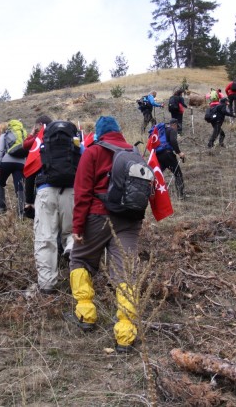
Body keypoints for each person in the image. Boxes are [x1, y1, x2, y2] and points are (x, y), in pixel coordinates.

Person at [66, 116, 145, 353]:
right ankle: (126, 335)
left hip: (97, 217)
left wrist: (77, 226)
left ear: (99, 133)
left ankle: (86, 315)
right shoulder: (134, 152)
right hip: (129, 220)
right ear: (119, 132)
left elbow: (82, 193)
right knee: (125, 273)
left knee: (79, 259)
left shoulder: (92, 152)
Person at [33, 119, 81, 294]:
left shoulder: (43, 145)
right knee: (72, 233)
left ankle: (47, 285)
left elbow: (30, 170)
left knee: (46, 237)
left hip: (46, 191)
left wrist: (30, 200)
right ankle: (71, 250)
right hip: (71, 192)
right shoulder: (76, 146)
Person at [0, 119, 27, 215]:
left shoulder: (4, 135)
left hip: (7, 161)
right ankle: (21, 211)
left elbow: (0, 151)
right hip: (21, 163)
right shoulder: (22, 135)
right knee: (20, 186)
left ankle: (1, 208)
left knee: (0, 183)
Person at [22, 115, 51, 219]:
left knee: (30, 175)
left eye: (36, 125)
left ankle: (29, 203)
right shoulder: (55, 135)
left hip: (39, 166)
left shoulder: (38, 137)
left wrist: (31, 134)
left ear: (40, 125)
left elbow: (25, 145)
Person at [156, 119, 186, 200]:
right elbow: (173, 141)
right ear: (174, 124)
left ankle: (152, 194)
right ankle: (180, 195)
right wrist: (179, 153)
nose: (177, 128)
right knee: (178, 174)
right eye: (177, 126)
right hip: (168, 154)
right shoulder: (171, 130)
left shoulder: (161, 131)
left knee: (157, 175)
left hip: (158, 155)